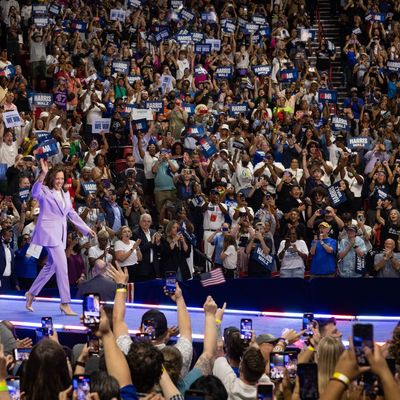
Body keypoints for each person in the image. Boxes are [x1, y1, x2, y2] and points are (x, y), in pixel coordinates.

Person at [25, 159, 95, 315]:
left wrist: (86, 229)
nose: (59, 181)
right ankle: (65, 302)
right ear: (52, 178)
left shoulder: (64, 194)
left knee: (51, 267)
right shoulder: (44, 190)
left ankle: (31, 294)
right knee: (63, 266)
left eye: (62, 179)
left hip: (61, 235)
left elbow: (71, 214)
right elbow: (34, 193)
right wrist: (42, 174)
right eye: (57, 178)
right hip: (49, 233)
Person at [131, 213, 160, 281]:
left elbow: (158, 250)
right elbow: (138, 249)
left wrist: (158, 243)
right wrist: (151, 243)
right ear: (140, 222)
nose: (146, 223)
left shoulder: (154, 232)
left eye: (148, 221)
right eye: (144, 221)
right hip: (142, 268)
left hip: (154, 267)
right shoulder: (135, 233)